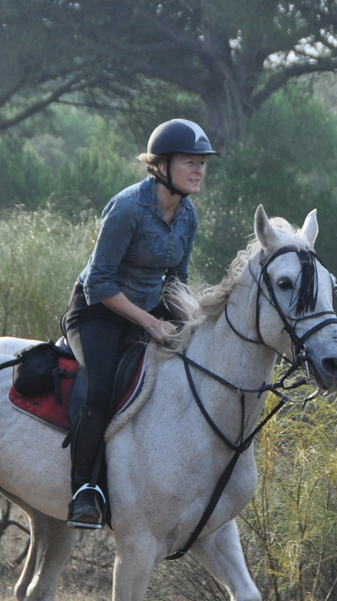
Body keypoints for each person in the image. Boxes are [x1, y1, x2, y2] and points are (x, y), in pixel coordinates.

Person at [64, 119, 217, 529]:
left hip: (148, 313)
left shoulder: (188, 217)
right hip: (95, 312)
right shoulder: (128, 207)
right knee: (100, 389)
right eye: (190, 162)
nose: (199, 170)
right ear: (161, 166)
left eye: (202, 163)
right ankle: (84, 491)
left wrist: (193, 326)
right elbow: (99, 283)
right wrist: (151, 323)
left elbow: (176, 282)